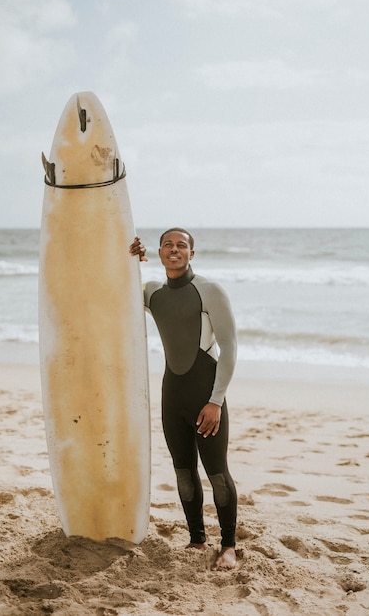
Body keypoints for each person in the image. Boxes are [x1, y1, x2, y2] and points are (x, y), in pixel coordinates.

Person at [130, 228, 238, 571]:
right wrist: (130, 258)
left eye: (181, 245)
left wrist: (216, 401)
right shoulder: (151, 292)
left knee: (217, 473)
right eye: (167, 245)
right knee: (182, 471)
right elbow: (113, 288)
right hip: (172, 394)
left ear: (192, 253)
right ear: (159, 252)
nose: (174, 250)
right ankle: (196, 538)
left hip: (205, 396)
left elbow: (229, 349)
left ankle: (229, 546)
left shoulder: (209, 291)